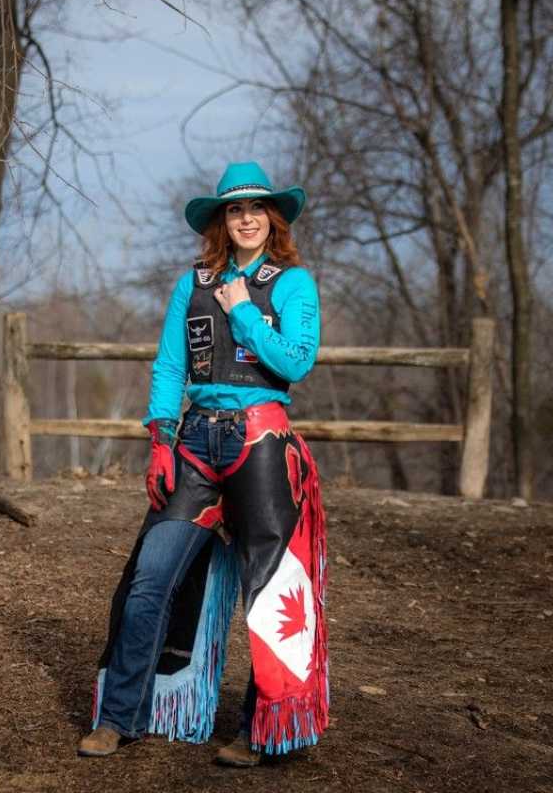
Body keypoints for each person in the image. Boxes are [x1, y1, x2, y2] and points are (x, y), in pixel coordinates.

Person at [78, 161, 328, 768]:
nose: (245, 218)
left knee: (267, 589)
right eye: (234, 210)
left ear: (272, 218)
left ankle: (263, 730)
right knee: (148, 579)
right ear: (221, 220)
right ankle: (120, 717)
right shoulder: (191, 282)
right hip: (194, 444)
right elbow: (168, 367)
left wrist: (243, 309)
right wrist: (161, 439)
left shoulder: (293, 283)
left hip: (262, 446)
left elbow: (296, 363)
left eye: (256, 208)